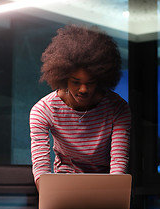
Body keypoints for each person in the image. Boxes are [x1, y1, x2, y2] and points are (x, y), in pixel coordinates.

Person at [30, 25, 131, 186]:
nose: (83, 90)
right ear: (63, 78)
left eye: (90, 83)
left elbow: (119, 162)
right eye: (76, 82)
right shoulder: (43, 110)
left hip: (106, 185)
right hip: (65, 185)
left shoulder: (117, 108)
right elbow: (41, 167)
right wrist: (49, 197)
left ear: (100, 79)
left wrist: (114, 194)